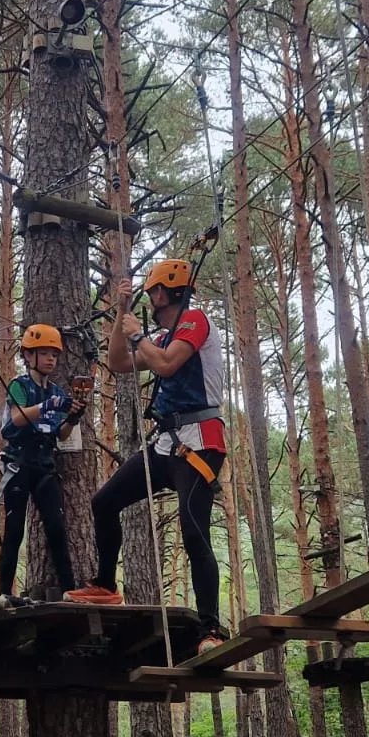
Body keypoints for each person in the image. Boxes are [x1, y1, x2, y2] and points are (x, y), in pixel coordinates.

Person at [65, 259, 229, 651]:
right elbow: (119, 363)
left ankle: (211, 628)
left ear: (164, 292)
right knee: (104, 502)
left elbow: (168, 365)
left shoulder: (194, 321)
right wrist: (122, 315)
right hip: (166, 443)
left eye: (152, 291)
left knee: (194, 530)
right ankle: (105, 583)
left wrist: (139, 337)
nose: (150, 298)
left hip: (200, 441)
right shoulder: (160, 335)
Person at [0, 324, 83, 599]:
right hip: (19, 462)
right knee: (14, 530)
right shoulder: (19, 386)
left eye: (53, 355)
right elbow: (17, 418)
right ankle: (4, 594)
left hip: (45, 464)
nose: (50, 359)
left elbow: (61, 433)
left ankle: (69, 590)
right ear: (28, 356)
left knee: (57, 529)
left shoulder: (55, 390)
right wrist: (51, 406)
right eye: (44, 353)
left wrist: (72, 417)